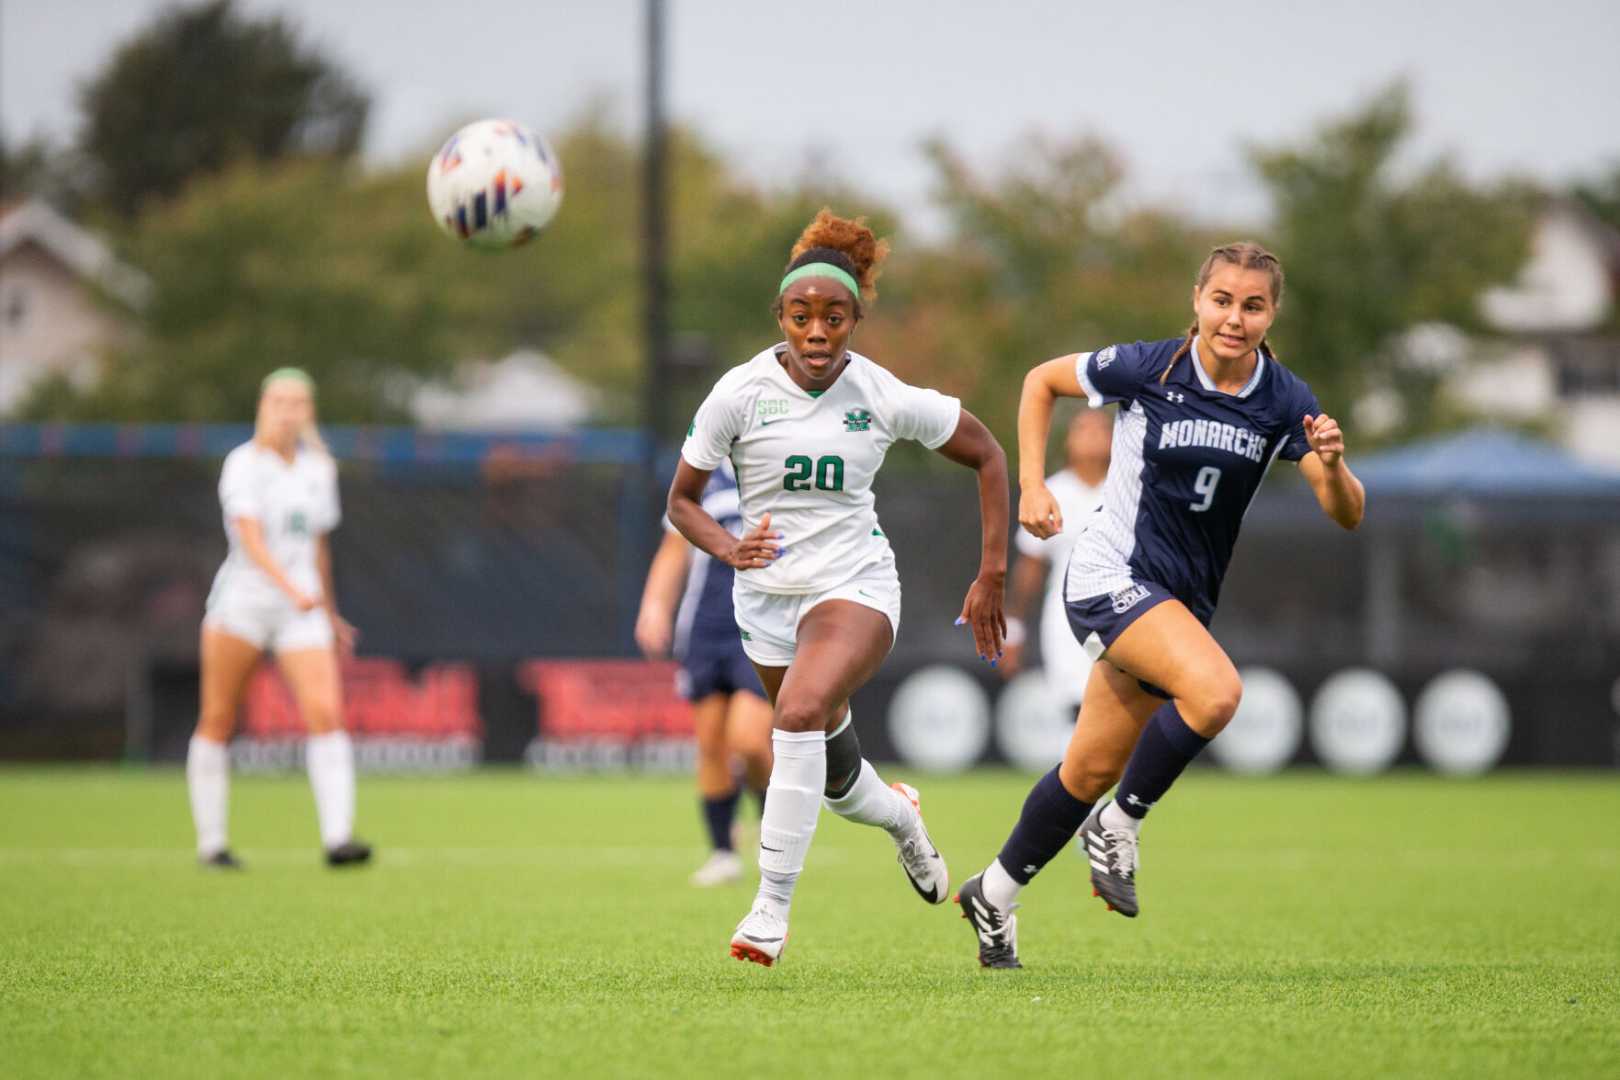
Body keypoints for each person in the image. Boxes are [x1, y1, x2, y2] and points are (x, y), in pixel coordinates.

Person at [957, 242, 1364, 968]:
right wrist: (1033, 485)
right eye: (1222, 300)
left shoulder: (1285, 400)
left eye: (1253, 305)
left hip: (1179, 603)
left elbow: (1347, 513)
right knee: (1215, 694)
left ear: (1272, 314)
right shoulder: (1150, 367)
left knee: (1085, 772)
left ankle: (993, 892)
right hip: (1110, 575)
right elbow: (1039, 381)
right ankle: (1122, 823)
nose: (1234, 318)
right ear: (1197, 299)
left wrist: (1331, 466)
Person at [668, 209, 1009, 967]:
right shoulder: (738, 393)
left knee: (794, 712)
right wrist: (729, 547)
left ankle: (769, 910)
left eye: (834, 317)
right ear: (780, 318)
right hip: (764, 602)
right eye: (802, 317)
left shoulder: (880, 393)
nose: (817, 333)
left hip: (855, 587)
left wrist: (991, 574)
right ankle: (902, 821)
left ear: (856, 318)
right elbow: (682, 500)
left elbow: (987, 452)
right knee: (839, 778)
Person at [186, 368, 372, 869]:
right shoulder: (243, 464)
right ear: (263, 405)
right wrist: (290, 588)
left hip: (302, 612)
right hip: (242, 605)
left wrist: (328, 610)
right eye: (278, 401)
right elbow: (249, 536)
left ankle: (338, 838)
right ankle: (213, 843)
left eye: (296, 402)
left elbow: (318, 547)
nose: (287, 411)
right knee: (219, 717)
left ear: (308, 410)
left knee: (326, 713)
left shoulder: (318, 470)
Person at [635, 459, 774, 887]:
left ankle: (776, 835)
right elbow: (674, 549)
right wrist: (654, 606)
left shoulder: (781, 465)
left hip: (763, 624)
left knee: (749, 741)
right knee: (711, 743)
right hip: (705, 627)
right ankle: (722, 853)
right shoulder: (703, 471)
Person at [999, 408, 1112, 714]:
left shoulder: (1127, 490)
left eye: (1100, 429)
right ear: (1068, 442)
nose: (1091, 436)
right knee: (1079, 704)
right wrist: (1015, 626)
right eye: (1082, 429)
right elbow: (1031, 565)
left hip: (1122, 610)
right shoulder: (1052, 492)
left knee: (1118, 703)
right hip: (1067, 616)